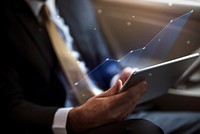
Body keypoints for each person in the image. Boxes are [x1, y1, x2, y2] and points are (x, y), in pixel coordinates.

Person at [0, 0, 199, 134]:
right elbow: (9, 108)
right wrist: (76, 119)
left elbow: (102, 61)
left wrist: (119, 78)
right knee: (144, 130)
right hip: (62, 124)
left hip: (111, 110)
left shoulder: (75, 3)